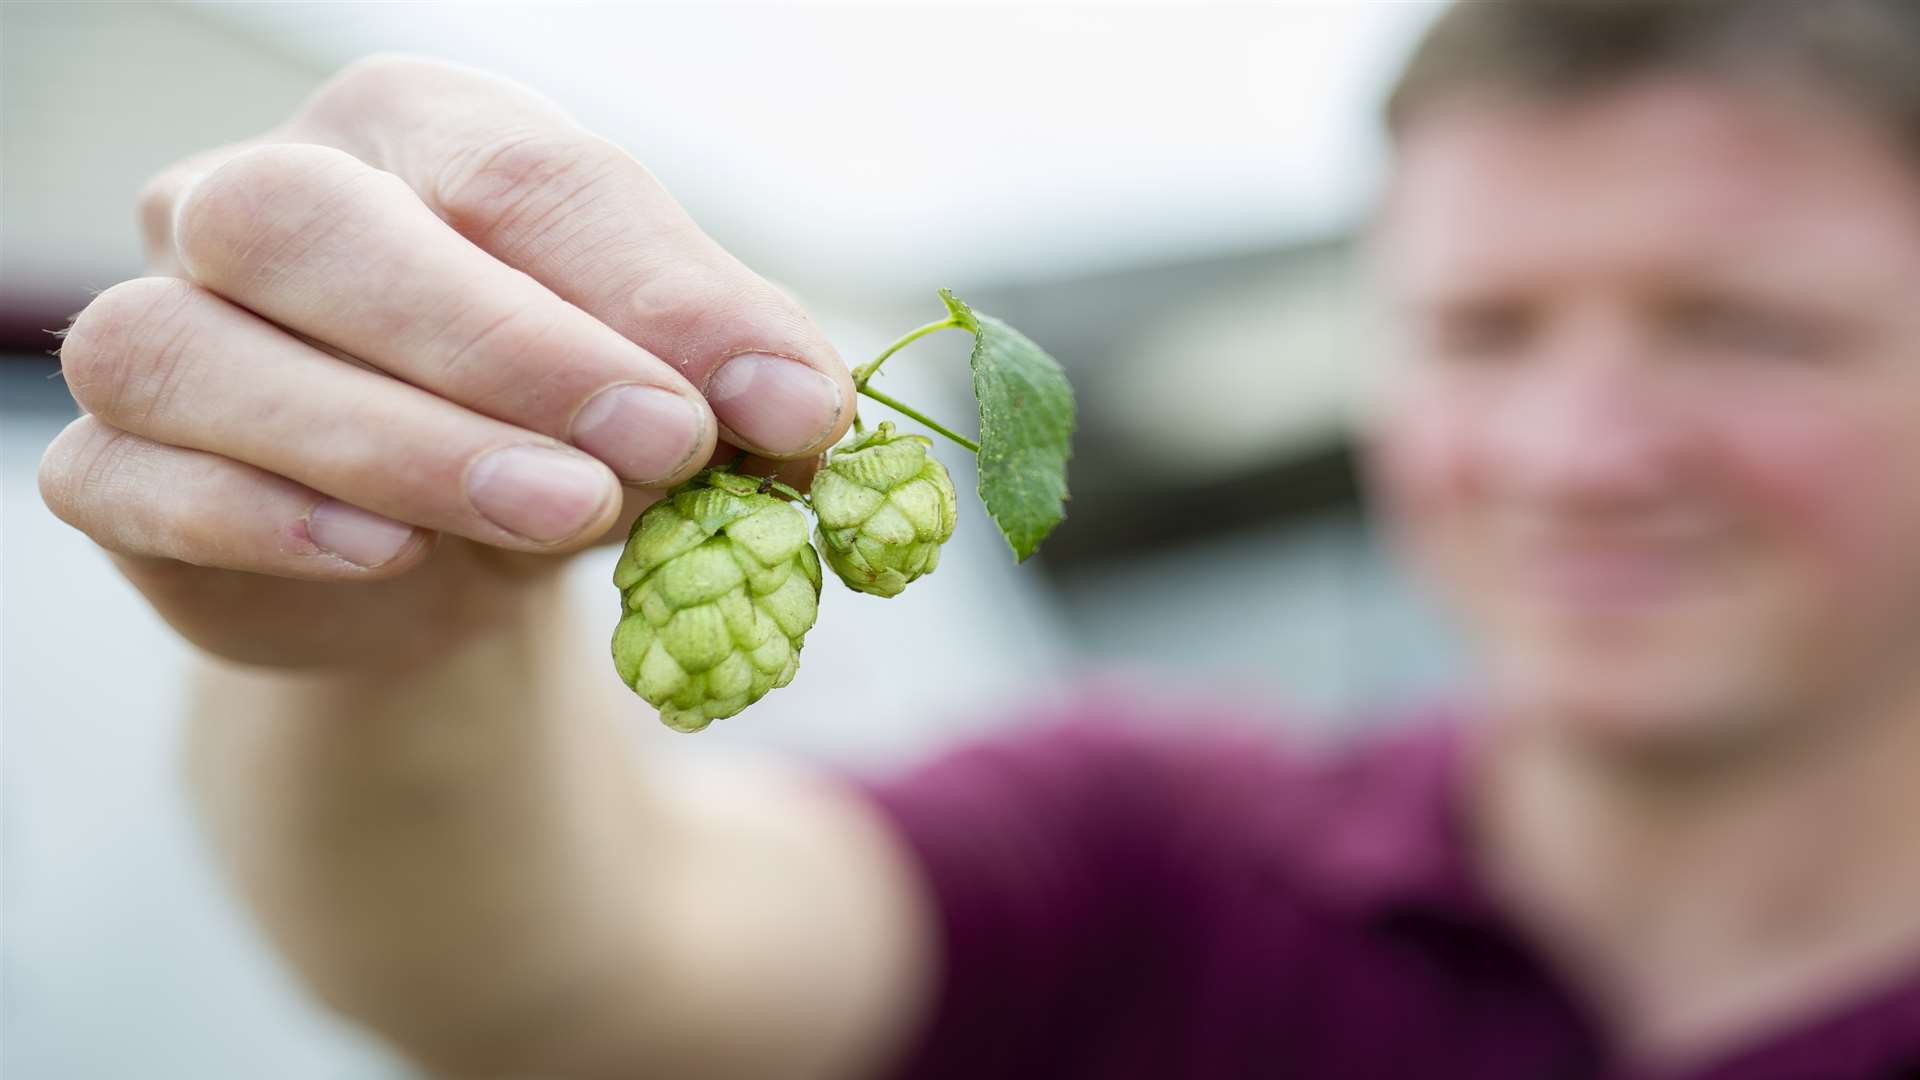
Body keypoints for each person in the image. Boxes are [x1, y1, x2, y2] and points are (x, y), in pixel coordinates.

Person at [37, 0, 1920, 1075]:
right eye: (1480, 331)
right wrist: (395, 645)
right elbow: (548, 981)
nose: (1578, 454)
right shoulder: (1152, 858)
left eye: (1748, 331)